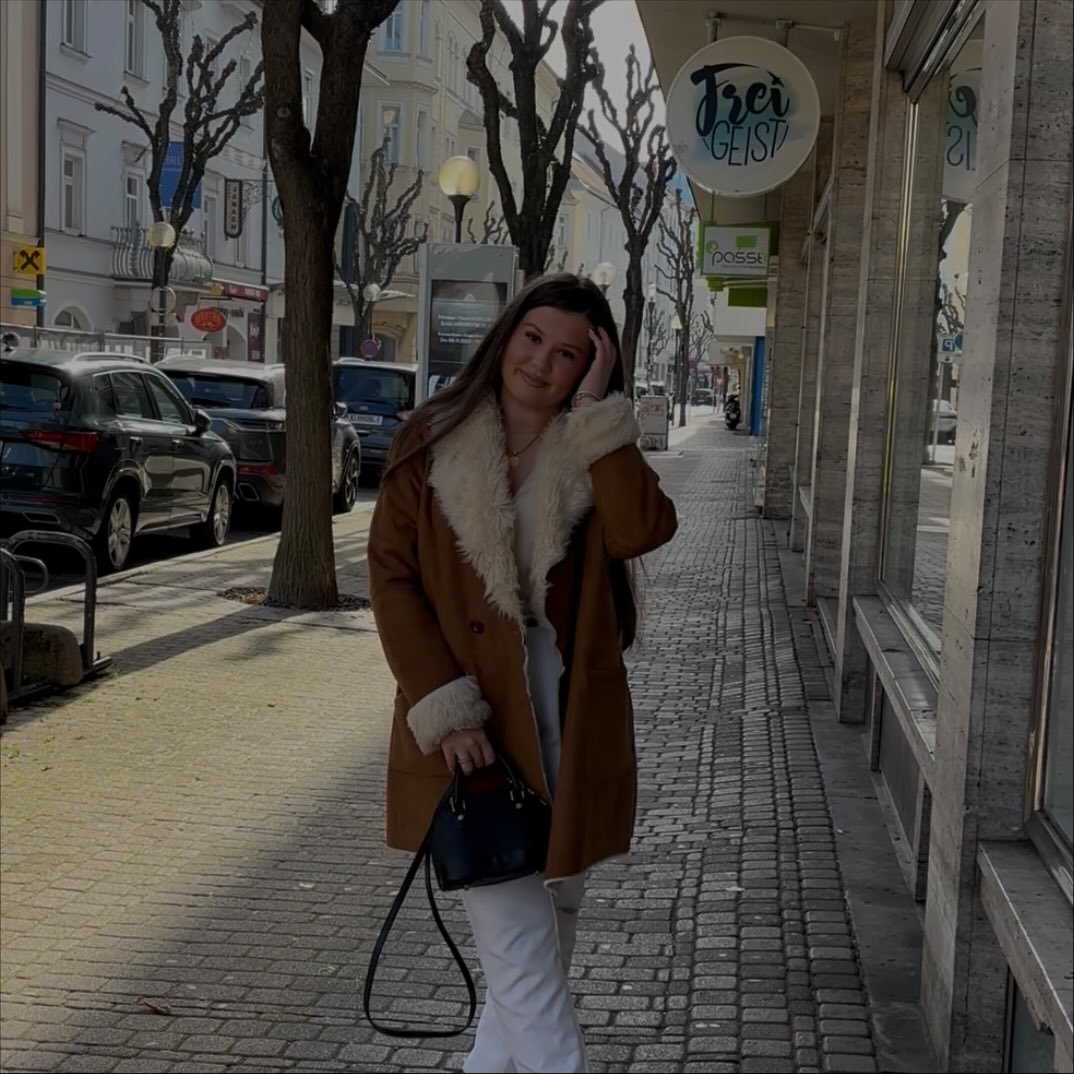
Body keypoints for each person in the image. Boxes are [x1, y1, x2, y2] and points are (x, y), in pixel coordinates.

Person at [368, 273, 678, 1073]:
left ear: (590, 367)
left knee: (545, 942)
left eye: (568, 354)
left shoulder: (591, 447)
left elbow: (644, 530)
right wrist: (446, 705)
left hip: (570, 714)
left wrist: (601, 416)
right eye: (532, 339)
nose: (541, 363)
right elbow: (392, 580)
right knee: (522, 953)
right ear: (505, 335)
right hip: (475, 718)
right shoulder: (432, 437)